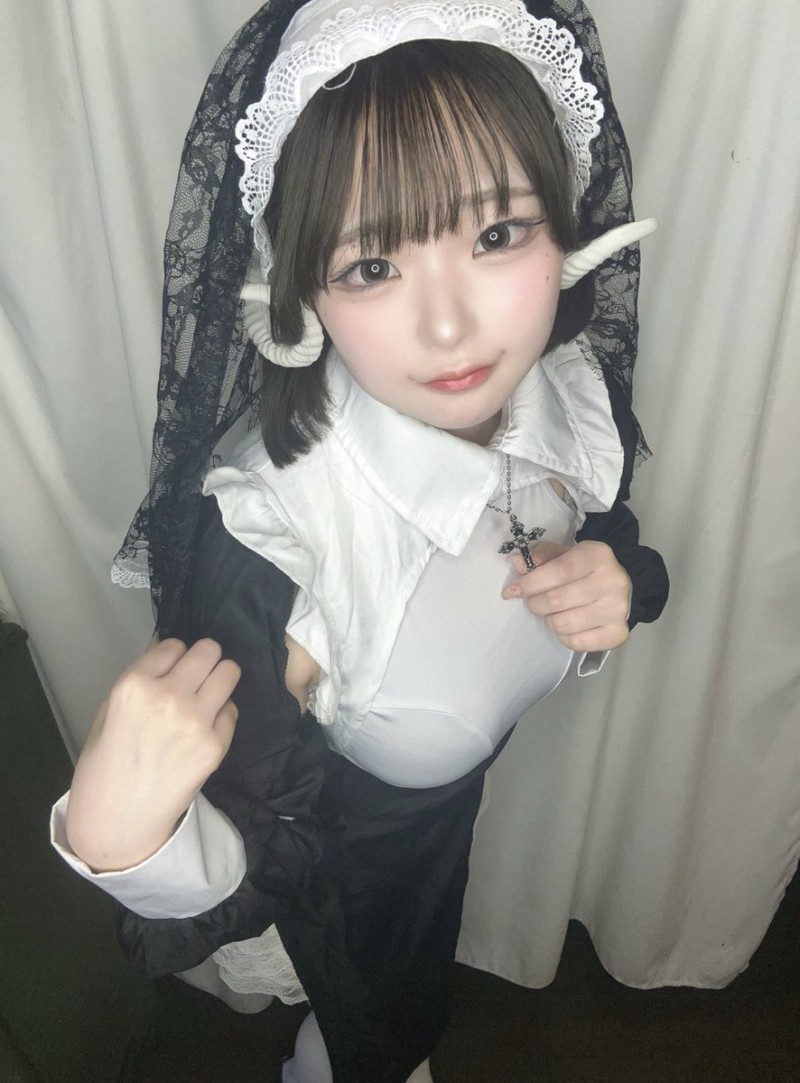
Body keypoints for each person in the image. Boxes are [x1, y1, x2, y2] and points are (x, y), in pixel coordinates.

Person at [51, 1, 669, 1080]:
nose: (450, 326)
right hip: (355, 873)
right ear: (299, 286)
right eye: (371, 266)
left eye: (496, 235)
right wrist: (122, 841)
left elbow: (606, 527)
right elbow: (258, 864)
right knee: (377, 1027)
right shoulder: (277, 539)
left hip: (454, 813)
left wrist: (625, 578)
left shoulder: (564, 388)